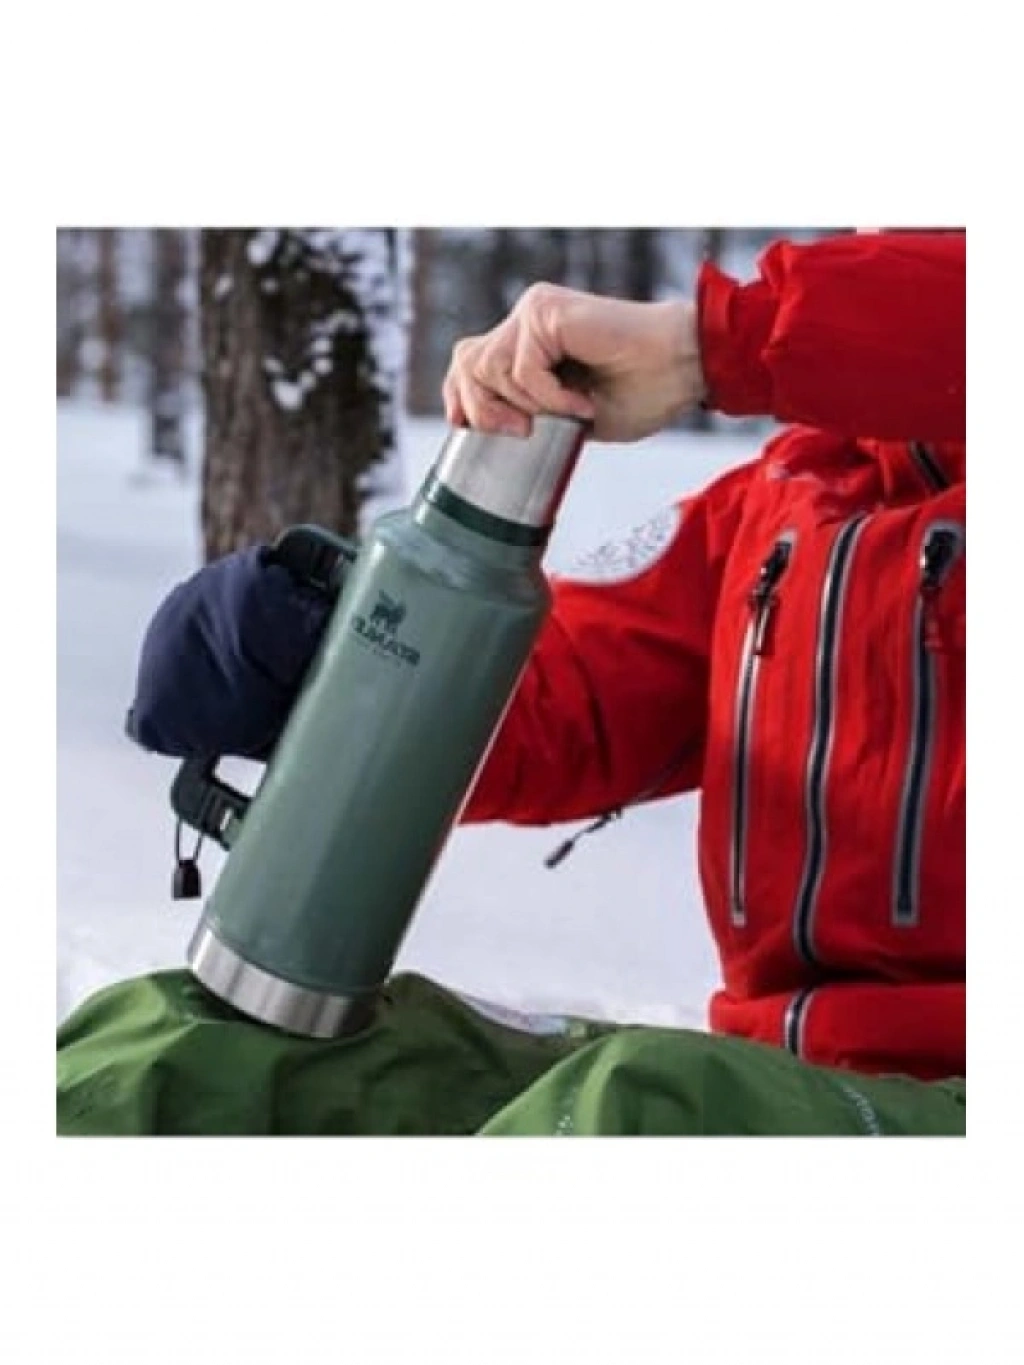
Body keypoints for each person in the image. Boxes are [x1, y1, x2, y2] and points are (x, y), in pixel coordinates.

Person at [60, 229, 965, 1135]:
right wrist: (332, 666)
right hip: (778, 1080)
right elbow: (566, 702)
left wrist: (715, 342)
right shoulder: (787, 504)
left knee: (640, 1110)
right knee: (183, 1055)